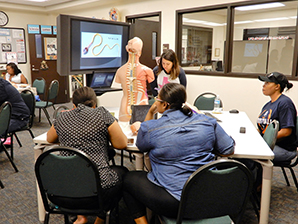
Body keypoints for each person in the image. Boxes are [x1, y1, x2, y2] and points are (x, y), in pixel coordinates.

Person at [122, 83, 235, 224]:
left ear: (164, 105)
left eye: (158, 98)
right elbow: (228, 149)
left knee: (127, 179)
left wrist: (150, 114)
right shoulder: (207, 121)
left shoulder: (151, 128)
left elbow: (141, 145)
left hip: (176, 203)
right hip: (209, 197)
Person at [47, 86, 128, 224]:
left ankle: (81, 216)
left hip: (61, 192)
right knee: (124, 173)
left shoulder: (63, 117)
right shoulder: (101, 113)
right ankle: (101, 217)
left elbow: (50, 139)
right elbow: (121, 144)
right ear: (95, 104)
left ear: (73, 105)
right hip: (97, 193)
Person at [258, 72, 297, 162]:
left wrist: (265, 139)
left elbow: (286, 132)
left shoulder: (285, 103)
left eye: (267, 83)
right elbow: (262, 127)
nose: (263, 86)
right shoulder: (268, 105)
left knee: (251, 155)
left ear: (277, 87)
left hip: (284, 149)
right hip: (270, 144)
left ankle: (256, 175)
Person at [115, 37, 154, 122]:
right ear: (140, 52)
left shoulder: (120, 70)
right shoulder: (147, 70)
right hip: (129, 109)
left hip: (141, 106)